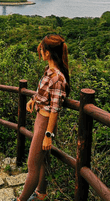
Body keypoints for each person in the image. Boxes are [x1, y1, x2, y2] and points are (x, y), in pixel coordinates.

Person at [12, 34, 70, 201]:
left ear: (48, 53)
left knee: (32, 165)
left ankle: (21, 199)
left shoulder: (57, 78)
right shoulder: (49, 72)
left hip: (45, 124)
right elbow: (44, 95)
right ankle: (41, 195)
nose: (40, 52)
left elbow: (55, 109)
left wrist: (48, 135)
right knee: (42, 161)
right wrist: (33, 100)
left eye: (42, 50)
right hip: (40, 120)